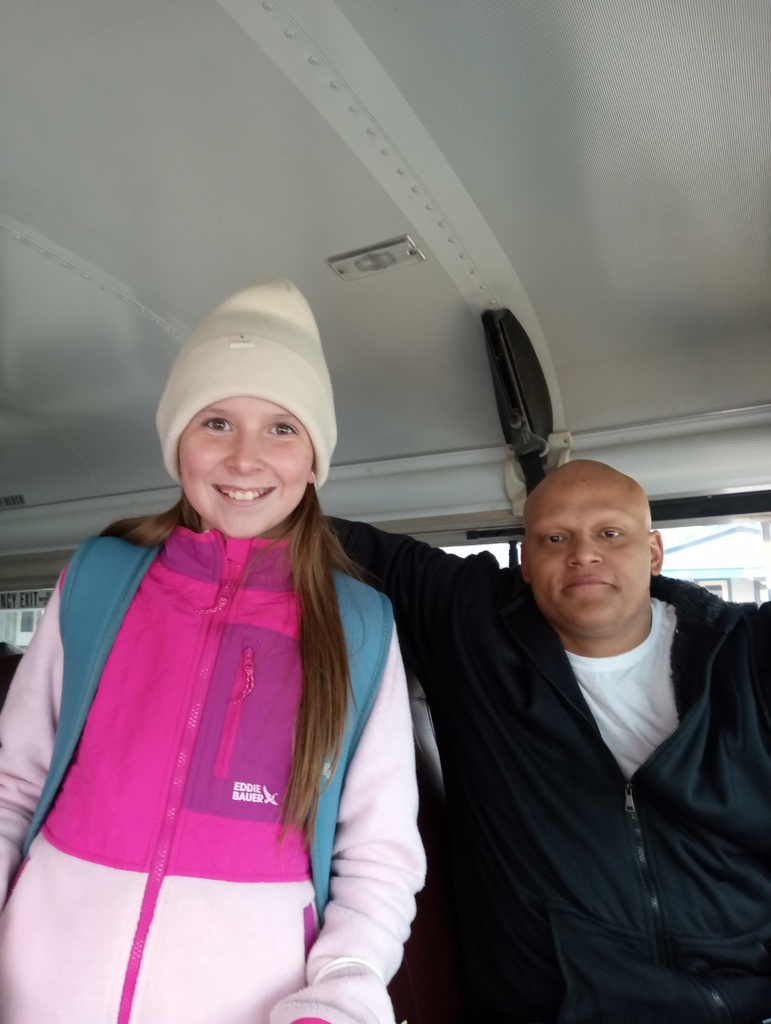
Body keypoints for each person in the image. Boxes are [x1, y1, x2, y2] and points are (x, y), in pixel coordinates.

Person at [0, 280, 425, 1024]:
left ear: (315, 456)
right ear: (177, 441)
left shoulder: (360, 626)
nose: (245, 458)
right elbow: (13, 783)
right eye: (217, 421)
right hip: (39, 992)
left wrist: (342, 994)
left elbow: (378, 856)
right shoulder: (98, 578)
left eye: (282, 429)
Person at [335, 459, 771, 1024]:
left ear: (655, 551)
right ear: (526, 563)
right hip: (557, 1009)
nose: (582, 554)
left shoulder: (746, 654)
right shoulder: (470, 626)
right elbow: (317, 534)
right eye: (553, 538)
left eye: (610, 534)